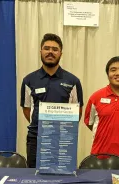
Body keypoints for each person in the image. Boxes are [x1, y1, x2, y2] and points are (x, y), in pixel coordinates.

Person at [20, 33, 83, 168]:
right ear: (41, 51)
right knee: (34, 179)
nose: (50, 52)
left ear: (61, 53)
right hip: (35, 139)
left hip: (63, 140)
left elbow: (77, 112)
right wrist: (43, 126)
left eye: (55, 49)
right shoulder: (28, 80)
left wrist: (59, 129)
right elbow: (27, 110)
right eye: (47, 48)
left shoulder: (73, 81)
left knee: (63, 180)